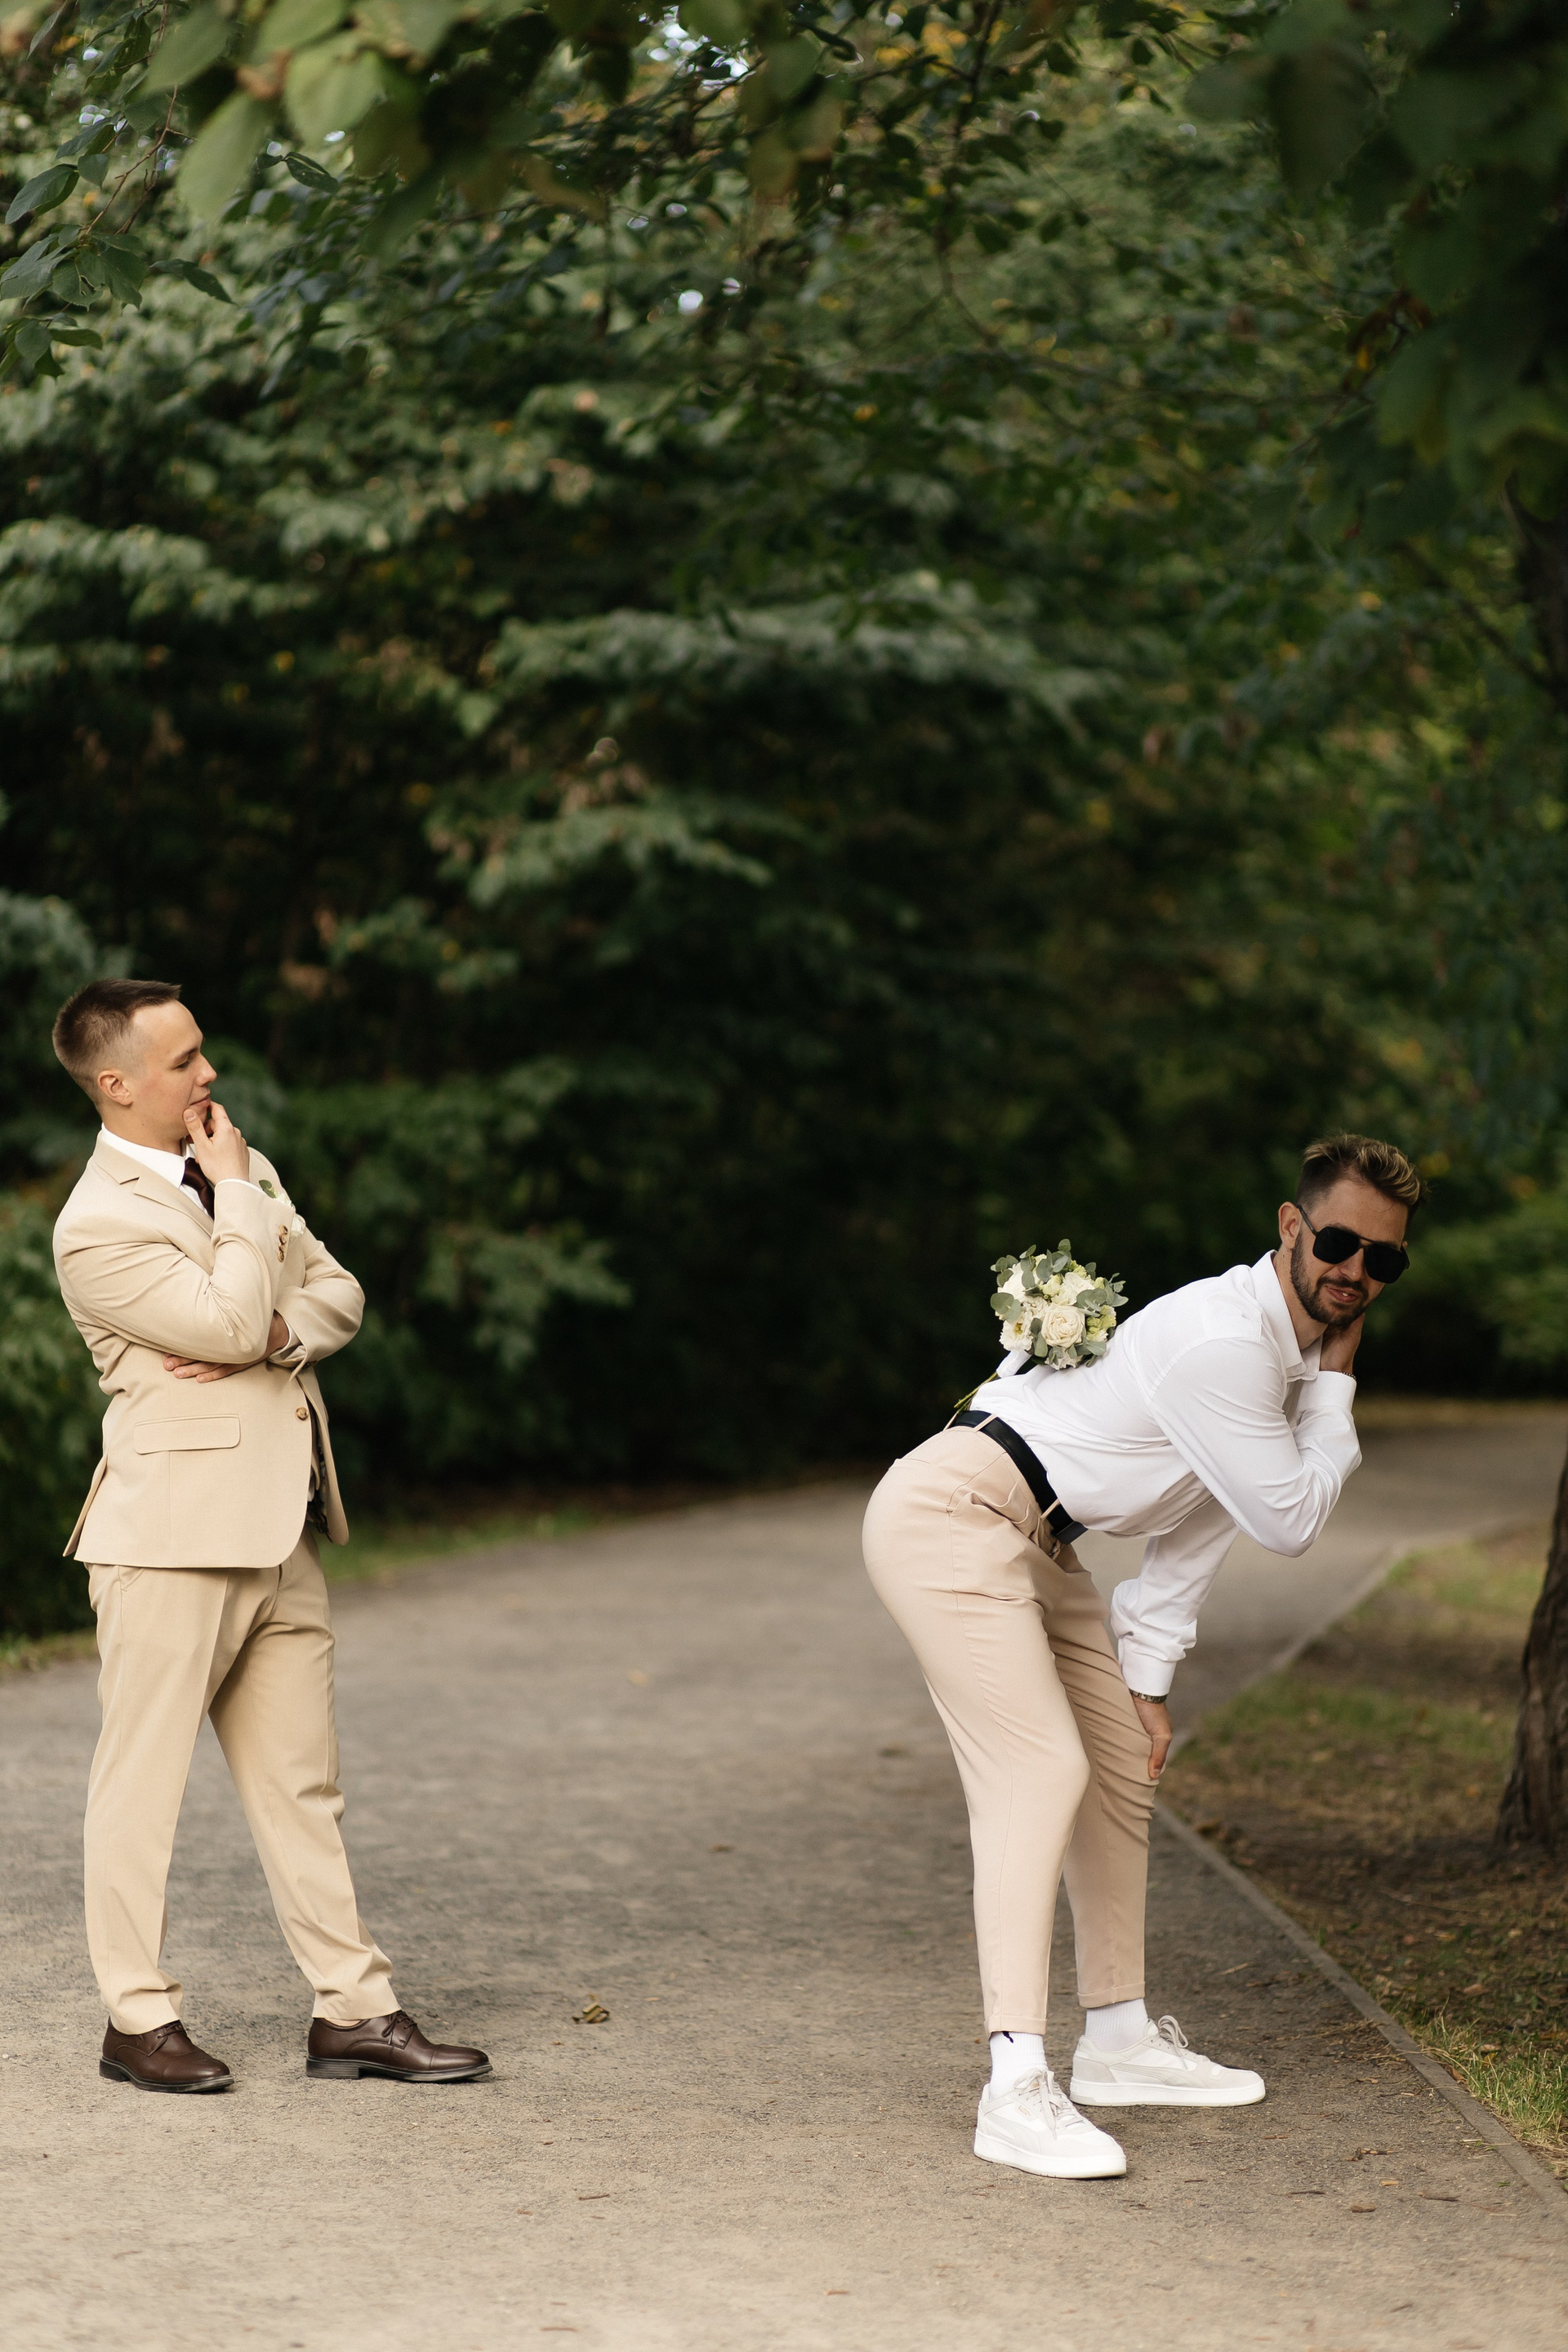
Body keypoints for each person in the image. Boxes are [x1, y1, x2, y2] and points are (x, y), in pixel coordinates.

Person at [862, 1133, 1419, 2179]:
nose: (1356, 1271)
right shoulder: (1228, 1345)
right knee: (1038, 1770)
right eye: (1340, 1242)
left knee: (1119, 1756)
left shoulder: (1277, 1363)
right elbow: (1288, 1520)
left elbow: (1201, 1527)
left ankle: (1117, 2040)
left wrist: (1148, 1679)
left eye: (1383, 1257)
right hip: (953, 1511)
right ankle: (1014, 2084)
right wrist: (1337, 1392)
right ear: (1292, 1227)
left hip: (1042, 1539)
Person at [50, 977, 489, 2093]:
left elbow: (334, 1294)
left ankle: (355, 2012)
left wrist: (277, 1330)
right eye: (183, 1060)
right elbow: (230, 1315)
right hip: (169, 1542)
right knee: (141, 1789)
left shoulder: (242, 1167)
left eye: (203, 1051)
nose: (209, 1074)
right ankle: (137, 2020)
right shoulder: (97, 1224)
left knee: (303, 1787)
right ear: (117, 1083)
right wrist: (244, 1218)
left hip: (283, 1526)